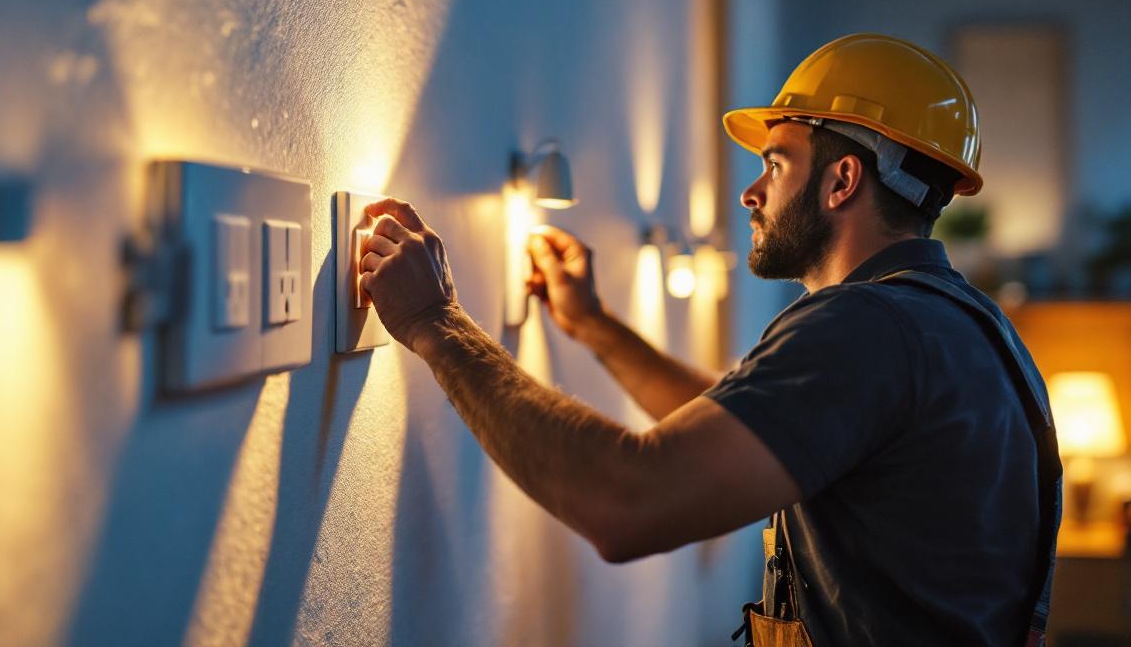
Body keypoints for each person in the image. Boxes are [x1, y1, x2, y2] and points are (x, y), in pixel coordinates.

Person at [358, 34, 1060, 647]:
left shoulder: (866, 329)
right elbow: (749, 426)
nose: (750, 193)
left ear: (842, 180)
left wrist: (436, 324)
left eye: (776, 163)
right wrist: (594, 325)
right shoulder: (958, 320)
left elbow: (627, 501)